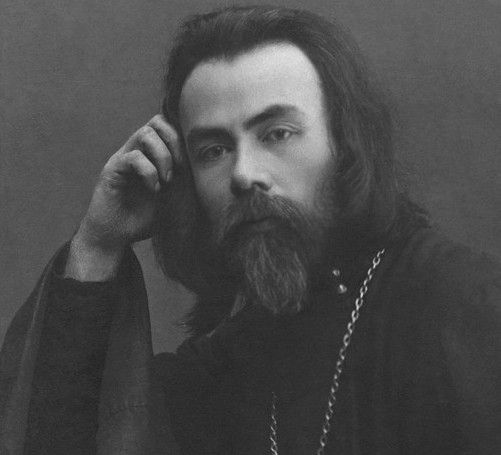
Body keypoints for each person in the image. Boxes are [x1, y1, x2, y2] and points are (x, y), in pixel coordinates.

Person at [1, 5, 500, 455]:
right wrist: (97, 244)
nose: (244, 174)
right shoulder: (236, 358)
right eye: (213, 150)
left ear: (346, 143)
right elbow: (63, 435)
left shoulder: (463, 304)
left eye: (277, 133)